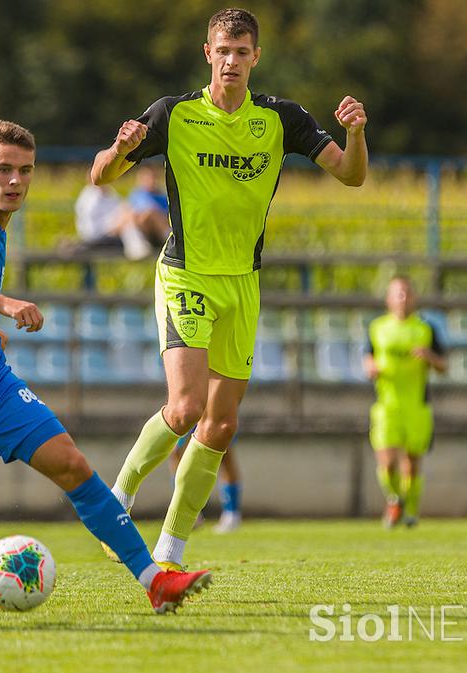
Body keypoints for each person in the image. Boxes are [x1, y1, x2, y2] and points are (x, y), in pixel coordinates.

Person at [0, 120, 211, 614]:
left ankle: (155, 581)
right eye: (3, 169)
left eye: (25, 170)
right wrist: (1, 304)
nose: (15, 181)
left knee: (71, 463)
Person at [91, 8, 368, 569]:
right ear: (207, 53)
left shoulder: (282, 119)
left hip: (243, 283)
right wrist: (122, 149)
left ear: (256, 57)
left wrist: (356, 134)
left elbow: (352, 174)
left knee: (222, 422)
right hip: (187, 273)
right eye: (224, 50)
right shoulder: (173, 114)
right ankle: (116, 496)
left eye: (243, 52)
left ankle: (171, 548)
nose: (232, 61)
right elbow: (100, 176)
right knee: (187, 405)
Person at [363, 276, 446, 528]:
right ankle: (394, 499)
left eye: (407, 292)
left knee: (411, 464)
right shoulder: (377, 327)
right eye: (398, 293)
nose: (403, 297)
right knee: (387, 464)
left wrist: (429, 356)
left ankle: (411, 510)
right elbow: (366, 357)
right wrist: (371, 367)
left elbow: (444, 365)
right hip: (387, 405)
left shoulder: (425, 328)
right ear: (388, 298)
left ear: (415, 297)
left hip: (416, 405)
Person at [169, 429, 242, 533]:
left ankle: (231, 514)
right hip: (189, 413)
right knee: (175, 451)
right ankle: (187, 513)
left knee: (224, 453)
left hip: (213, 413)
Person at [115, 164, 172, 261]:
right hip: (142, 229)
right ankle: (137, 244)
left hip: (159, 231)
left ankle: (169, 240)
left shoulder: (163, 196)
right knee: (130, 214)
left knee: (151, 213)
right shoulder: (135, 195)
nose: (150, 181)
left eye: (152, 177)